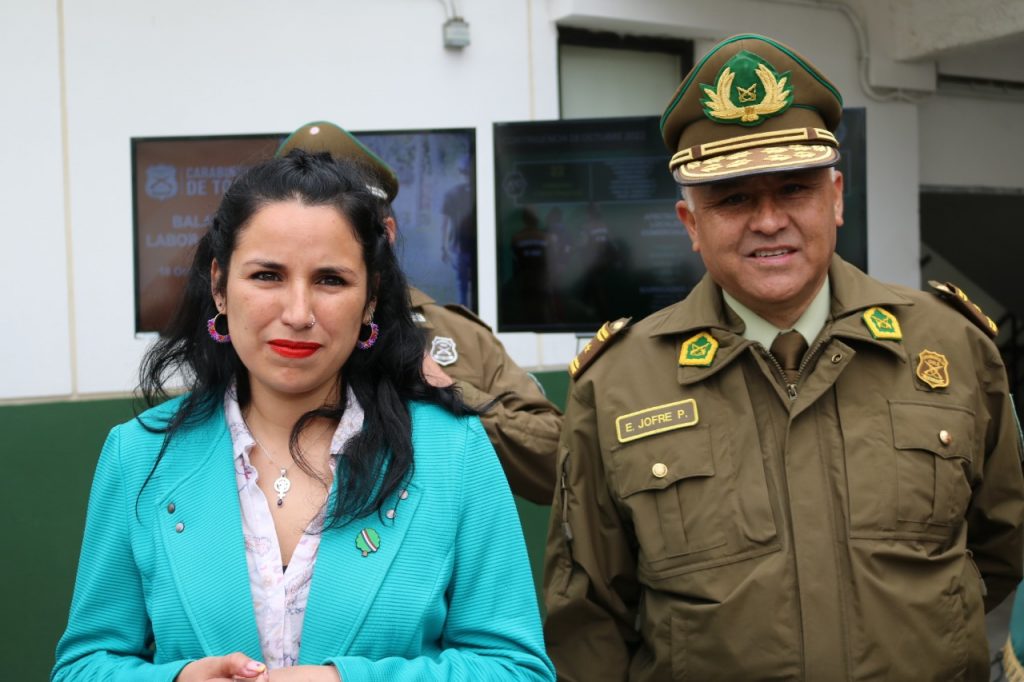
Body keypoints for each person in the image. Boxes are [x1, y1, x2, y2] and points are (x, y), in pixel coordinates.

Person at [543, 33, 1024, 681]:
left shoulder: (952, 347)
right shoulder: (618, 385)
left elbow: (998, 550)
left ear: (836, 197)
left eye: (793, 189)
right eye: (734, 198)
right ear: (690, 223)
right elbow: (588, 620)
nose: (768, 221)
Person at [52, 151, 555, 681]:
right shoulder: (139, 454)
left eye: (330, 280)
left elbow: (516, 669)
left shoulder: (453, 450)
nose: (297, 313)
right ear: (220, 286)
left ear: (371, 298)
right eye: (267, 275)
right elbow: (83, 667)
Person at [276, 122, 562, 504]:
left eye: (346, 224)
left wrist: (448, 391)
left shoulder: (457, 336)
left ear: (386, 234)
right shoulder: (257, 332)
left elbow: (556, 463)